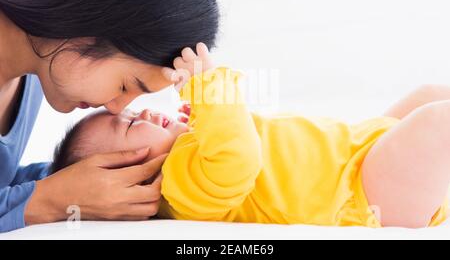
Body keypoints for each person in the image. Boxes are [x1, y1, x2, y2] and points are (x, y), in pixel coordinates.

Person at [49, 44, 449, 228]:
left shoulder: (192, 150)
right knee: (436, 124)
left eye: (136, 112)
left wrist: (203, 120)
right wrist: (208, 91)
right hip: (361, 196)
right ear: (129, 175)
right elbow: (236, 161)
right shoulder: (179, 189)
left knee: (428, 96)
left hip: (358, 154)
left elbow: (228, 138)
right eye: (134, 125)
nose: (147, 111)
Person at [0, 0, 219, 232]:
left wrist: (86, 182)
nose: (116, 107)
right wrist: (49, 199)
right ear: (87, 24)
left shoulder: (35, 73)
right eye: (126, 85)